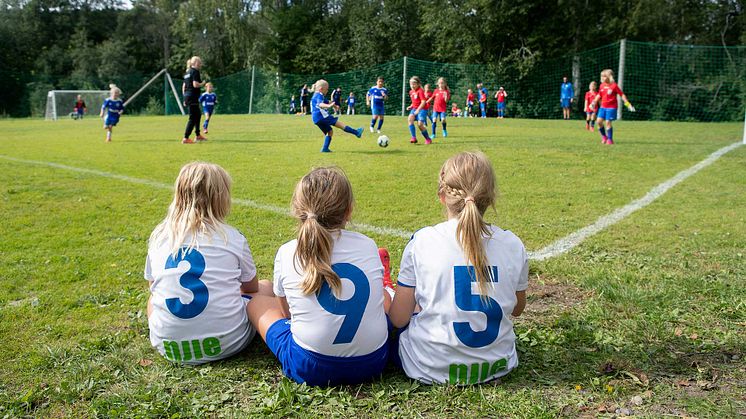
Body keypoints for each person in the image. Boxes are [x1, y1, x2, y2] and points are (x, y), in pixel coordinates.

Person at [388, 151, 529, 384]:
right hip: (498, 364)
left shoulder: (423, 241)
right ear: (491, 196)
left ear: (442, 195)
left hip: (429, 368)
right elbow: (517, 309)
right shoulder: (512, 243)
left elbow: (398, 318)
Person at [246, 167, 390, 387]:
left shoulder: (288, 251)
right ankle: (388, 285)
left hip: (310, 366)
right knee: (383, 297)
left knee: (257, 302)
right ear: (348, 211)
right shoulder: (367, 245)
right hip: (373, 362)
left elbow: (287, 314)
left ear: (298, 209)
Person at [145, 162, 273, 365]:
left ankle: (171, 331)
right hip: (230, 342)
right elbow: (250, 287)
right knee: (266, 287)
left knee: (153, 300)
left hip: (169, 348)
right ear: (221, 198)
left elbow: (154, 287)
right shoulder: (231, 237)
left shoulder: (159, 236)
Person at [310, 79, 363, 152]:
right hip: (322, 116)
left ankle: (325, 148)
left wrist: (334, 106)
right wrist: (328, 106)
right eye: (327, 89)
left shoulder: (315, 95)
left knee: (330, 131)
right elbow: (320, 104)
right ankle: (356, 132)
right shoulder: (319, 95)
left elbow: (327, 101)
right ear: (321, 89)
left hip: (316, 119)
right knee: (340, 124)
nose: (327, 91)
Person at [591, 69, 634, 145]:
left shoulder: (614, 85)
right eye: (602, 76)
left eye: (605, 76)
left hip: (611, 107)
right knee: (599, 121)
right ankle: (604, 137)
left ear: (609, 77)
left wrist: (628, 104)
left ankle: (610, 140)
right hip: (603, 107)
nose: (603, 78)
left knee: (608, 122)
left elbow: (622, 95)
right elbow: (599, 95)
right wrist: (594, 102)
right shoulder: (602, 85)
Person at [182, 56, 207, 144]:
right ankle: (185, 138)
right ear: (195, 63)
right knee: (192, 117)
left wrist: (185, 98)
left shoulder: (187, 72)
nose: (200, 64)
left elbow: (184, 86)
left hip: (188, 96)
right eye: (199, 63)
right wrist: (203, 83)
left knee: (198, 115)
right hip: (192, 96)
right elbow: (195, 85)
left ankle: (198, 135)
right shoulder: (195, 72)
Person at [406, 76, 433, 144]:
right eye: (411, 84)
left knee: (420, 125)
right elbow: (415, 101)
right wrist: (411, 106)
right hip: (415, 109)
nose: (412, 85)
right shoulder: (411, 92)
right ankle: (413, 138)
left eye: (414, 84)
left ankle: (428, 139)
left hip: (422, 109)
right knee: (410, 119)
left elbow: (423, 102)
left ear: (418, 84)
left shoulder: (420, 91)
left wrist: (418, 110)